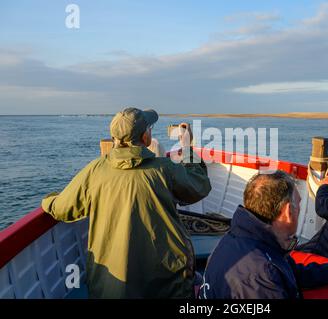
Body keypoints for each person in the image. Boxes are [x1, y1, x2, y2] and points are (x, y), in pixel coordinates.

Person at [41, 107, 211, 298]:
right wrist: (187, 147)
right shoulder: (165, 170)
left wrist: (48, 200)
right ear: (145, 138)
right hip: (167, 281)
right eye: (149, 128)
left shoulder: (95, 170)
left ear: (114, 138)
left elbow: (61, 208)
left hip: (110, 284)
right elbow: (200, 185)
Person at [199, 170, 328, 299]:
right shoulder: (262, 276)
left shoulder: (241, 239)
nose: (300, 210)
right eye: (298, 205)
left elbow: (288, 271)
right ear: (288, 212)